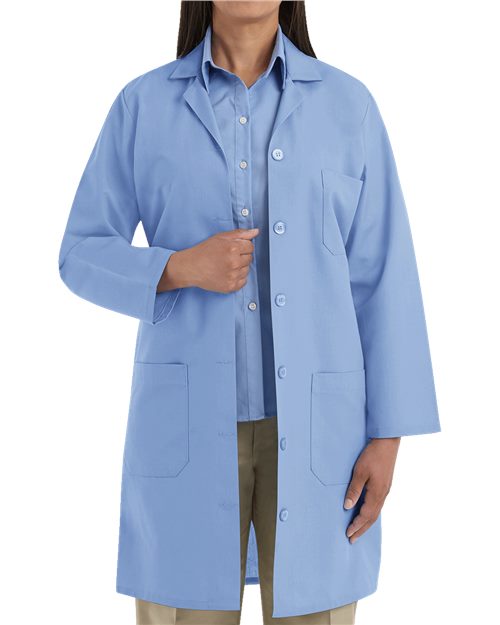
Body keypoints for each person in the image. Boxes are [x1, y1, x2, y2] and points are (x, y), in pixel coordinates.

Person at [58, 1, 441, 624]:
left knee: (314, 608)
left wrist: (387, 436)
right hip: (185, 431)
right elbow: (80, 252)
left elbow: (383, 280)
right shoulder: (143, 105)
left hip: (322, 438)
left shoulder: (348, 107)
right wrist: (179, 267)